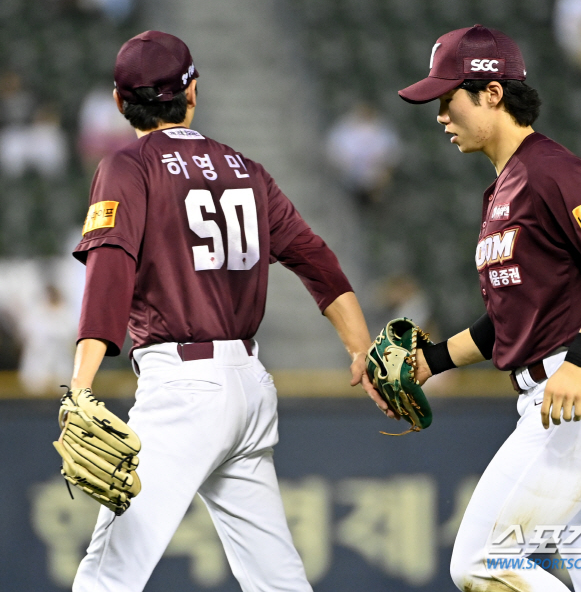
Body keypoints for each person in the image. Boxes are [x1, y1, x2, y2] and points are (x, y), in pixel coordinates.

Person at [69, 30, 380, 592]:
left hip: (183, 390)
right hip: (248, 387)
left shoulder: (128, 165)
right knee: (275, 578)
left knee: (108, 573)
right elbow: (315, 259)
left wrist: (81, 385)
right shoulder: (244, 167)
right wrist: (361, 346)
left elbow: (109, 272)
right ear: (193, 92)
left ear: (120, 102)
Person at [394, 25, 581, 591]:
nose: (439, 115)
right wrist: (431, 361)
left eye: (447, 99)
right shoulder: (505, 187)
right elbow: (514, 320)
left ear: (491, 93)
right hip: (574, 395)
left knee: (484, 563)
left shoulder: (548, 168)